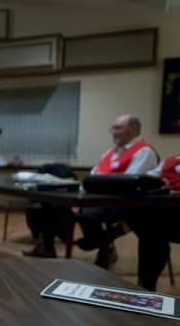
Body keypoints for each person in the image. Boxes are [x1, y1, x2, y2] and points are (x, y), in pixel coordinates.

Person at [74, 115, 159, 265]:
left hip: (130, 204)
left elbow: (128, 184)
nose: (114, 132)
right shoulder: (110, 153)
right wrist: (80, 197)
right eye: (112, 128)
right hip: (103, 199)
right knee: (67, 208)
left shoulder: (144, 151)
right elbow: (93, 178)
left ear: (134, 129)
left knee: (88, 216)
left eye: (119, 128)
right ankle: (106, 244)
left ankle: (110, 237)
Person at [125, 154, 180, 291]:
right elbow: (147, 179)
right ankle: (147, 287)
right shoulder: (172, 160)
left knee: (151, 227)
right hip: (167, 210)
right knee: (145, 220)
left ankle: (147, 287)